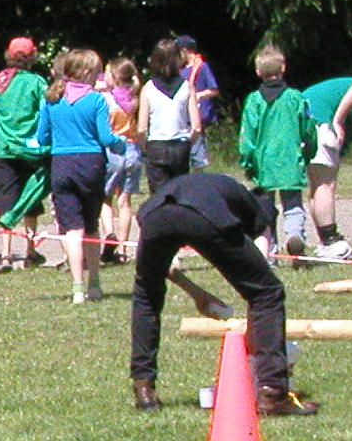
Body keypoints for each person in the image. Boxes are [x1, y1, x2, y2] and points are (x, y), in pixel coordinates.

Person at [129, 171, 318, 417]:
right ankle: (272, 393)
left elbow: (166, 267)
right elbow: (259, 273)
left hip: (155, 214)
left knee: (147, 295)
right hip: (202, 212)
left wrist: (197, 294)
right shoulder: (258, 210)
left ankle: (143, 388)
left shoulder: (217, 186)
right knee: (268, 293)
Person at [35, 48, 120, 303]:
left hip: (61, 164)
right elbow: (106, 138)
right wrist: (121, 143)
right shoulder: (96, 100)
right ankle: (94, 282)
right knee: (91, 226)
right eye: (96, 72)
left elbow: (42, 137)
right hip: (90, 165)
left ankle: (77, 287)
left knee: (71, 229)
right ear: (86, 72)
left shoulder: (51, 99)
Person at [296, 74, 352, 259]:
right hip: (320, 121)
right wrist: (337, 121)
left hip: (303, 119)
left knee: (317, 184)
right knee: (325, 185)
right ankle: (332, 243)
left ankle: (325, 242)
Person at [236, 46, 312, 263]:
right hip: (290, 160)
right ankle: (295, 235)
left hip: (264, 163)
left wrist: (247, 160)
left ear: (258, 72)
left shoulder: (254, 101)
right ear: (283, 68)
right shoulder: (296, 98)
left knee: (264, 209)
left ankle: (270, 253)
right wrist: (309, 151)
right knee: (293, 205)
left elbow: (247, 136)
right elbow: (308, 129)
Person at [0, 37, 49, 271]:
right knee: (30, 200)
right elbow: (45, 113)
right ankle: (30, 252)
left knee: (6, 204)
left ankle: (5, 255)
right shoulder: (37, 83)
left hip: (4, 150)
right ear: (32, 57)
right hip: (31, 151)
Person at [138, 38, 200, 192]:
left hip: (156, 145)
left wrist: (144, 147)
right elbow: (197, 127)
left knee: (159, 196)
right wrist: (188, 143)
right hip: (180, 146)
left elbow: (141, 128)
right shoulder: (187, 87)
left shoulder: (148, 88)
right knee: (179, 193)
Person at [99, 56, 143, 263]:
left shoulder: (107, 99)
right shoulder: (134, 98)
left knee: (105, 198)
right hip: (133, 149)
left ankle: (110, 234)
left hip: (113, 149)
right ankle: (123, 249)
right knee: (125, 201)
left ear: (115, 77)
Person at [177, 35, 219, 170]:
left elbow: (214, 90)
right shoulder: (182, 70)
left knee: (198, 152)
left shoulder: (203, 67)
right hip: (183, 117)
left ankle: (199, 175)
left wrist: (198, 95)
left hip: (197, 117)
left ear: (184, 51)